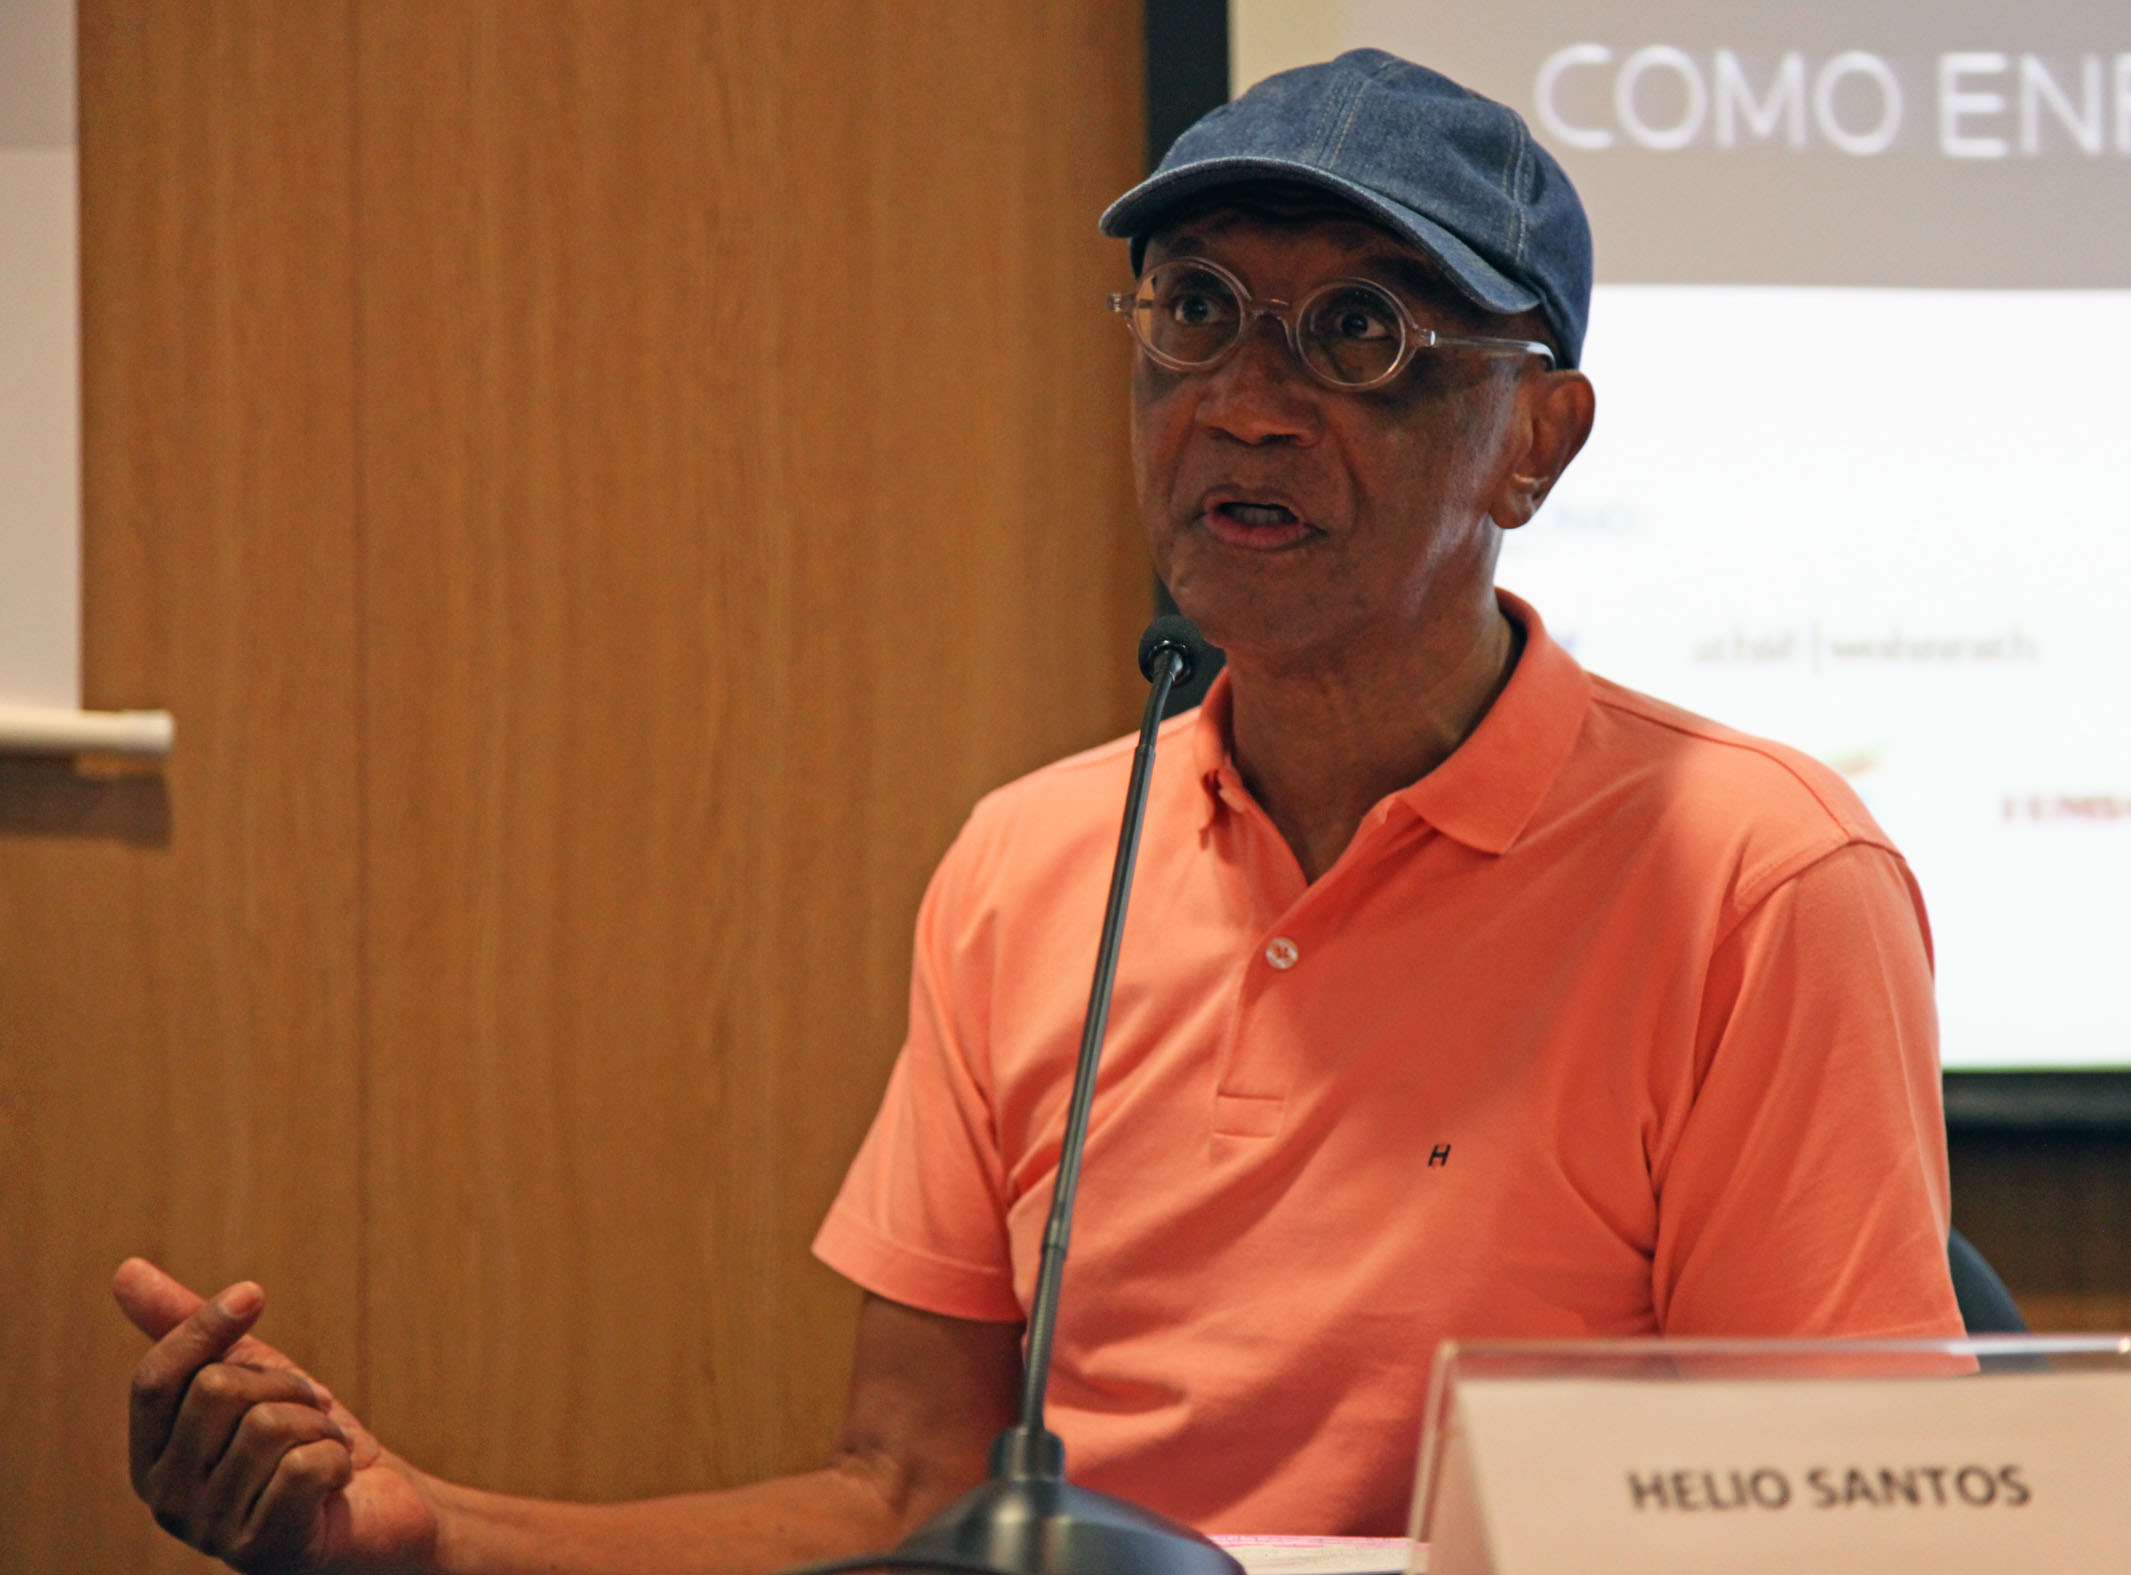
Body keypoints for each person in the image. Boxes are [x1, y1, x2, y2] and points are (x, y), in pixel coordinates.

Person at [113, 48, 1961, 1575]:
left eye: (1359, 336)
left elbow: (1841, 1531)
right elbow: (909, 1499)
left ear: (1536, 443)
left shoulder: (1756, 877)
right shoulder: (1032, 862)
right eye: (1196, 313)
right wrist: (431, 1534)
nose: (1243, 406)